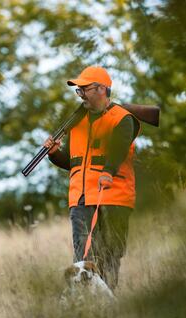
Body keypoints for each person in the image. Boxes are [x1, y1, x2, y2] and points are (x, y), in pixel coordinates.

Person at [44, 66, 140, 293]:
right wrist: (54, 153)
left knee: (108, 257)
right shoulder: (77, 123)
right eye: (79, 91)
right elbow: (74, 164)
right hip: (80, 200)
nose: (81, 94)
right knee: (82, 260)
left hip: (113, 200)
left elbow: (118, 150)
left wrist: (108, 171)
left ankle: (106, 307)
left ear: (101, 89)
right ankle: (87, 311)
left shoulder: (123, 118)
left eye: (84, 89)